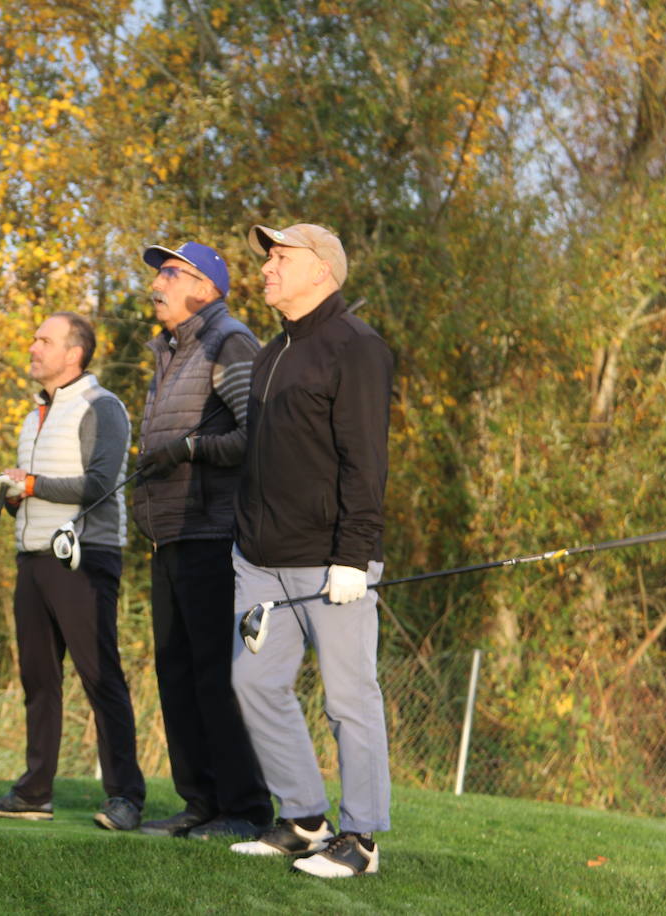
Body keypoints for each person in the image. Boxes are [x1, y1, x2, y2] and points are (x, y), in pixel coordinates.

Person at [227, 223, 394, 878]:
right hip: (261, 560)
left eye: (280, 258)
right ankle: (303, 818)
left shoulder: (356, 347)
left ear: (321, 270)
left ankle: (361, 838)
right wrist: (244, 543)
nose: (267, 268)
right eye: (268, 257)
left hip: (333, 563)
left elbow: (365, 463)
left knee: (349, 698)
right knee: (253, 681)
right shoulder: (272, 353)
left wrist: (354, 556)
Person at [0, 312, 147, 831]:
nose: (33, 347)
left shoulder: (103, 406)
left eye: (43, 340)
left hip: (85, 558)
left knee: (101, 678)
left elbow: (100, 485)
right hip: (32, 558)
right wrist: (11, 493)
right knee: (39, 680)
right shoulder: (35, 416)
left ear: (74, 354)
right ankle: (34, 792)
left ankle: (126, 797)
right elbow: (36, 489)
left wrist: (30, 485)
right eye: (34, 338)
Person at [130, 241, 273, 841]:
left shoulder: (230, 341)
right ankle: (200, 802)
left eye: (171, 272)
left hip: (213, 533)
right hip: (169, 535)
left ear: (206, 288)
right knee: (177, 673)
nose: (157, 281)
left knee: (215, 675)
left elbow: (256, 435)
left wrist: (190, 449)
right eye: (159, 271)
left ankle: (244, 808)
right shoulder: (167, 350)